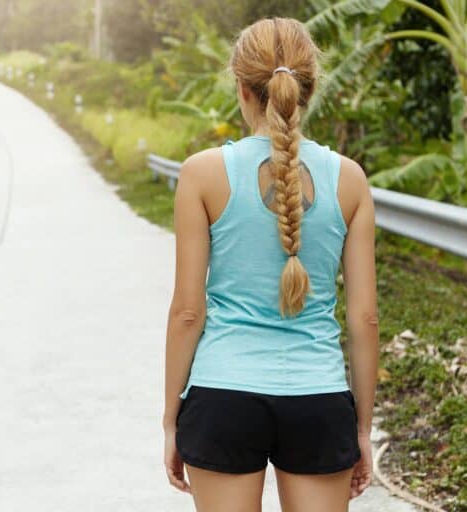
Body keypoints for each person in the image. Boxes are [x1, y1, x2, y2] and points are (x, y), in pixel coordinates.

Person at [162, 16, 380, 512]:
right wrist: (362, 429)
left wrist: (172, 417)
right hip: (318, 397)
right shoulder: (349, 180)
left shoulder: (202, 174)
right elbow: (365, 319)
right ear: (309, 88)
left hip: (222, 394)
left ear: (242, 88)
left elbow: (187, 313)